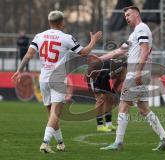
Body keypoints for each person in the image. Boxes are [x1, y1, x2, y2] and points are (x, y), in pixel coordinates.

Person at [12, 10, 102, 153]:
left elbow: (29, 54)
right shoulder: (66, 37)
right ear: (61, 23)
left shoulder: (39, 36)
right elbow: (84, 52)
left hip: (43, 79)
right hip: (58, 79)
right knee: (55, 114)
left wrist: (19, 70)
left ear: (49, 22)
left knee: (51, 115)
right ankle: (45, 143)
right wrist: (94, 41)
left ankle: (60, 143)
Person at [99, 6, 165, 151]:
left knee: (123, 106)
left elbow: (144, 50)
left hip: (136, 72)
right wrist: (98, 59)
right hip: (141, 72)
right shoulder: (135, 33)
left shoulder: (141, 29)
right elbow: (119, 51)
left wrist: (137, 71)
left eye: (128, 14)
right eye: (125, 15)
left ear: (137, 14)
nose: (126, 18)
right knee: (143, 108)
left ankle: (118, 143)